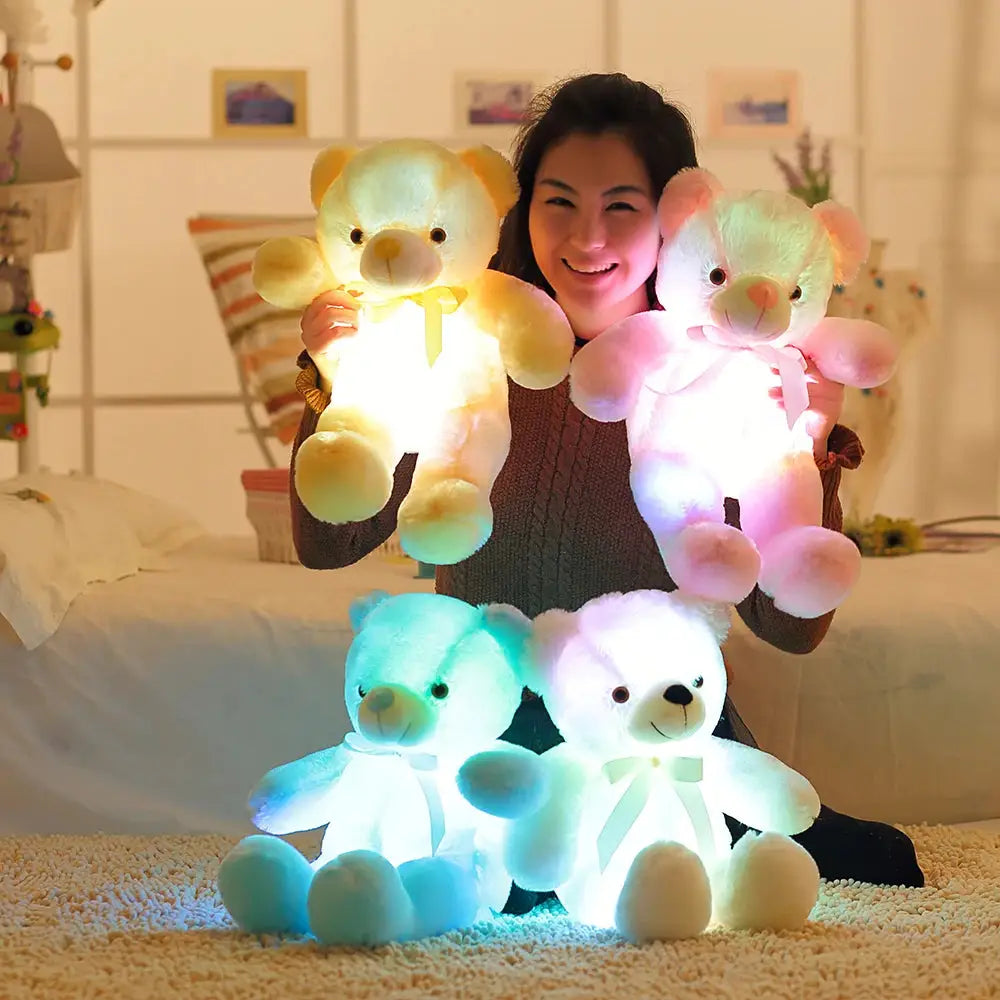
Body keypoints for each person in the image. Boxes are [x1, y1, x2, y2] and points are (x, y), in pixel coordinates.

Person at [289, 73, 924, 896]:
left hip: (651, 727)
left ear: (676, 222)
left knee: (875, 867)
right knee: (493, 879)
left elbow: (790, 629)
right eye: (560, 202)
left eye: (621, 206)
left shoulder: (711, 380)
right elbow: (326, 545)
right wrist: (332, 380)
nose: (588, 237)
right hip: (484, 722)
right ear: (522, 213)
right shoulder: (466, 351)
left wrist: (808, 446)